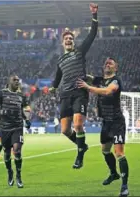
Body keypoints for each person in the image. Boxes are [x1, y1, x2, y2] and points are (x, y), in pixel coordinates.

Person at [48, 3, 98, 169]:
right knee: (65, 130)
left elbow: (92, 35)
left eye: (71, 38)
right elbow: (58, 76)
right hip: (65, 95)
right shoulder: (60, 60)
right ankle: (82, 144)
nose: (69, 40)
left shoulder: (80, 52)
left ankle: (79, 155)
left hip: (79, 92)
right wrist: (53, 87)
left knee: (77, 125)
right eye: (66, 39)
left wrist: (94, 16)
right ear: (63, 43)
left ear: (73, 42)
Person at [77, 57, 130, 197]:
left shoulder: (116, 80)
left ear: (115, 68)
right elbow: (87, 77)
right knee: (105, 150)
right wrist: (77, 69)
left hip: (117, 122)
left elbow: (108, 91)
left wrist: (88, 88)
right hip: (106, 122)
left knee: (119, 153)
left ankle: (124, 186)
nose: (107, 64)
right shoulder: (99, 80)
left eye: (111, 63)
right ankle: (113, 173)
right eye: (106, 63)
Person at [0, 75, 31, 187]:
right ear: (9, 82)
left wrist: (26, 119)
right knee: (7, 154)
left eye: (18, 80)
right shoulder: (1, 93)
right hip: (5, 128)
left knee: (17, 151)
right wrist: (4, 112)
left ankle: (18, 176)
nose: (17, 82)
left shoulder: (21, 95)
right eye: (14, 80)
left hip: (17, 127)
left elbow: (22, 110)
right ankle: (10, 172)